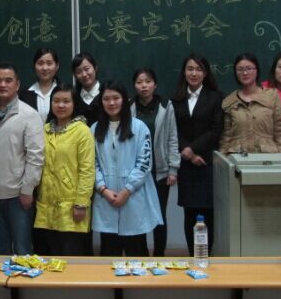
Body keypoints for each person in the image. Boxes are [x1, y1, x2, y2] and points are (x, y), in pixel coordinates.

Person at [0, 64, 44, 256]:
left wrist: (27, 190)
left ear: (17, 84)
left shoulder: (29, 115)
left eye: (8, 80)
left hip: (17, 196)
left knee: (23, 251)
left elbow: (35, 157)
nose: (2, 85)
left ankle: (22, 279)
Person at [92, 80, 162, 257]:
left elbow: (144, 163)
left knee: (137, 253)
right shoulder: (94, 129)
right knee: (109, 254)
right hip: (106, 197)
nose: (111, 103)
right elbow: (92, 164)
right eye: (106, 99)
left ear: (124, 100)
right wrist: (103, 189)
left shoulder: (139, 127)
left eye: (116, 98)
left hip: (133, 197)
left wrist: (126, 190)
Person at [34, 83, 95, 256]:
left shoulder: (82, 131)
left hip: (72, 206)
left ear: (74, 103)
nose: (61, 105)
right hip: (46, 205)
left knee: (71, 257)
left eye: (66, 101)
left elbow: (87, 170)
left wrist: (81, 203)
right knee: (48, 257)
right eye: (56, 101)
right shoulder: (45, 129)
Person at [171, 54, 223, 256]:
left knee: (207, 214)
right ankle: (193, 255)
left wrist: (193, 149)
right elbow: (173, 129)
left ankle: (206, 255)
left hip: (207, 163)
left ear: (205, 73)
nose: (194, 73)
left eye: (199, 69)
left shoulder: (216, 97)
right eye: (190, 69)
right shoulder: (176, 99)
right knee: (189, 213)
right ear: (184, 72)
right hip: (186, 165)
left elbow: (215, 130)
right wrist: (188, 152)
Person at [129, 68, 179, 257]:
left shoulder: (166, 106)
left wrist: (173, 169)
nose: (144, 85)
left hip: (159, 170)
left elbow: (172, 138)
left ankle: (159, 254)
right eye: (139, 82)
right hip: (137, 170)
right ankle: (141, 254)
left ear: (155, 85)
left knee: (159, 215)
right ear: (134, 85)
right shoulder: (129, 106)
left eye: (148, 81)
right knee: (138, 214)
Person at [220, 53, 281, 154]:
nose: (245, 73)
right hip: (238, 158)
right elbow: (226, 136)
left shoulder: (271, 97)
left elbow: (280, 131)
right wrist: (223, 157)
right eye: (240, 69)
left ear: (257, 70)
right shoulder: (229, 101)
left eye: (249, 68)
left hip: (267, 158)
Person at [20, 47, 59, 122]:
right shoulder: (24, 95)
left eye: (49, 63)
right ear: (34, 67)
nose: (45, 68)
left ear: (57, 66)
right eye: (40, 63)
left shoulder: (65, 93)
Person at [72, 52, 102, 125]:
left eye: (87, 69)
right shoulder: (73, 97)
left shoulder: (106, 93)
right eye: (78, 71)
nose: (84, 74)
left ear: (95, 68)